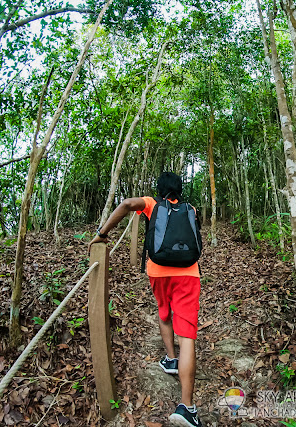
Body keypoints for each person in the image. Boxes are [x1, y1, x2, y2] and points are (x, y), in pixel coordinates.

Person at [89, 172, 203, 427]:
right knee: (188, 335)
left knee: (164, 311)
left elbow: (127, 204)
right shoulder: (191, 208)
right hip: (188, 274)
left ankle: (171, 358)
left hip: (158, 271)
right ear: (180, 191)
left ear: (160, 190)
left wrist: (103, 233)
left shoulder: (152, 204)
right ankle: (187, 407)